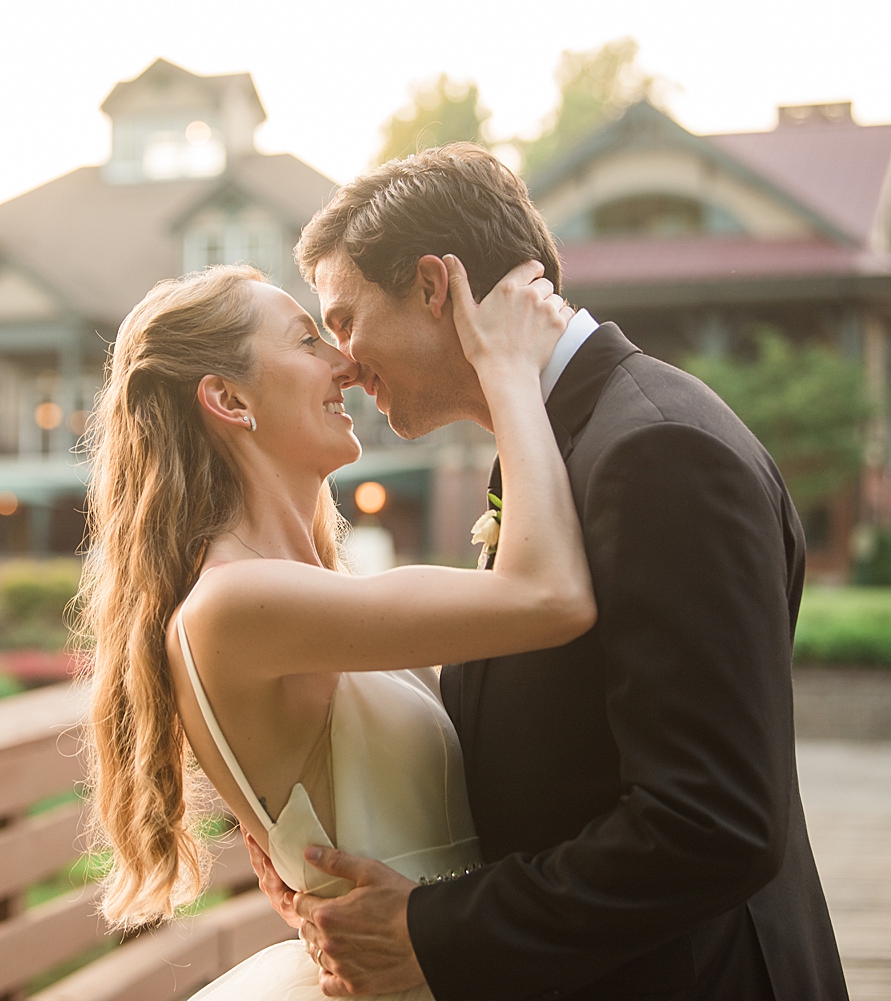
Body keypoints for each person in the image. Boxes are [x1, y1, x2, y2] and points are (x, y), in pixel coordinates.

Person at [256, 143, 849, 1001]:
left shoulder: (657, 450)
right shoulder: (559, 445)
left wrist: (433, 929)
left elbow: (712, 820)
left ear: (432, 286)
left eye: (345, 318)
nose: (343, 359)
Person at [78, 247, 591, 1001]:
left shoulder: (303, 593)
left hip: (452, 959)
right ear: (227, 399)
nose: (345, 364)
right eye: (307, 340)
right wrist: (507, 370)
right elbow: (550, 595)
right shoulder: (234, 605)